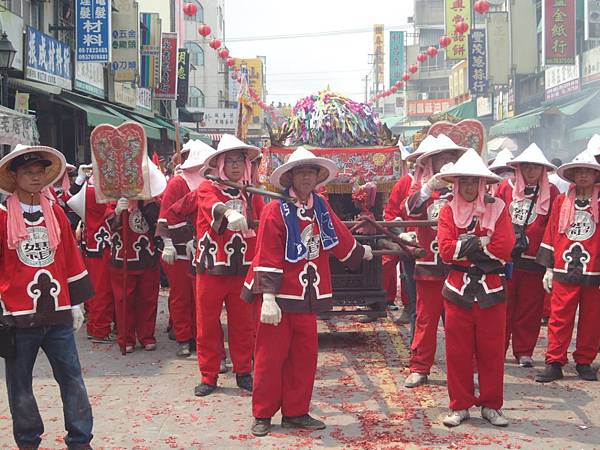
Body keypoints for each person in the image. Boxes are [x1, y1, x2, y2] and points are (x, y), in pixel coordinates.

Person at [241, 147, 374, 437]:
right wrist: (268, 298)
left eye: (311, 172)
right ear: (290, 177)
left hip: (307, 294)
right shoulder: (276, 209)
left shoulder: (321, 207)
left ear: (317, 177)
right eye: (301, 172)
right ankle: (262, 413)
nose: (306, 177)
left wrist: (360, 252)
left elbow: (337, 234)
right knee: (269, 357)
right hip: (276, 296)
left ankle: (296, 411)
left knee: (304, 356)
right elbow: (268, 253)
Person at [0, 145, 95, 449]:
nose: (35, 177)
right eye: (28, 172)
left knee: (72, 378)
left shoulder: (54, 212)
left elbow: (69, 256)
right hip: (17, 316)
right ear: (14, 176)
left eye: (39, 171)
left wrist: (77, 302)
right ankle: (28, 441)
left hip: (57, 314)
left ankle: (80, 439)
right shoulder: (2, 218)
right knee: (19, 385)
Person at [166, 134, 264, 396]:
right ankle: (209, 375)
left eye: (239, 161)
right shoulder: (207, 188)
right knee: (207, 324)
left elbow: (265, 221)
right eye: (229, 161)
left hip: (242, 267)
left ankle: (244, 370)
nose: (235, 166)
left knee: (243, 324)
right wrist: (226, 213)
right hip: (211, 268)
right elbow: (206, 206)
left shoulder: (252, 194)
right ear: (219, 164)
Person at [436, 149, 515, 427]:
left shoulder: (499, 208)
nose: (469, 187)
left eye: (474, 182)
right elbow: (446, 250)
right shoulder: (447, 210)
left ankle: (492, 405)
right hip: (457, 290)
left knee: (492, 351)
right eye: (464, 182)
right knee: (457, 351)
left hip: (491, 290)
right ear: (456, 184)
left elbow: (505, 248)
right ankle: (459, 405)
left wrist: (467, 245)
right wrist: (482, 242)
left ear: (483, 184)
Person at [402, 134, 467, 388]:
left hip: (459, 263)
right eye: (441, 158)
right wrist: (431, 186)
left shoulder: (466, 185)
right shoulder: (422, 188)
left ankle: (461, 369)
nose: (446, 161)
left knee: (458, 321)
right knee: (426, 319)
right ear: (431, 162)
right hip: (429, 262)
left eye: (451, 157)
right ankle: (420, 367)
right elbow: (410, 209)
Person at [535, 150, 600, 382]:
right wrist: (548, 268)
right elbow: (552, 232)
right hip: (564, 267)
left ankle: (584, 361)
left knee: (592, 319)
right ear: (572, 175)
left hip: (594, 269)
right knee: (559, 317)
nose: (583, 176)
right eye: (579, 171)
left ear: (595, 176)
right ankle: (554, 361)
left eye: (588, 172)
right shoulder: (562, 201)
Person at [494, 143, 560, 367]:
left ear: (543, 170)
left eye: (535, 167)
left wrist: (550, 262)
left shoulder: (551, 193)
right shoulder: (505, 189)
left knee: (530, 309)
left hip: (535, 260)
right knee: (503, 306)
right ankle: (497, 348)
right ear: (518, 169)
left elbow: (554, 225)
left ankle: (524, 351)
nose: (531, 171)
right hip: (508, 259)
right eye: (526, 167)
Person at [159, 140, 215, 358]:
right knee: (181, 295)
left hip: (202, 249)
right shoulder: (177, 183)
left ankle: (199, 337)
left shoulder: (210, 184)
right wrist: (169, 244)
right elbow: (167, 215)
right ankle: (184, 337)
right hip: (180, 250)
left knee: (200, 298)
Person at [107, 160, 166, 353]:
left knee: (148, 299)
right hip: (122, 257)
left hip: (147, 257)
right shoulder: (113, 200)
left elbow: (160, 225)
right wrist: (117, 211)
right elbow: (107, 225)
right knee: (124, 301)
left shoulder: (153, 201)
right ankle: (126, 338)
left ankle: (147, 335)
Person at [67, 171, 116, 343]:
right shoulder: (100, 188)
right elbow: (110, 213)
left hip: (92, 242)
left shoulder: (90, 183)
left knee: (97, 289)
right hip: (102, 243)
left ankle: (97, 327)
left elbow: (69, 198)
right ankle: (99, 329)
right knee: (102, 290)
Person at [382, 145, 417, 330]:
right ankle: (408, 305)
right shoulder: (405, 183)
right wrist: (401, 232)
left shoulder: (449, 182)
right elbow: (391, 211)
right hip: (409, 239)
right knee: (406, 274)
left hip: (439, 241)